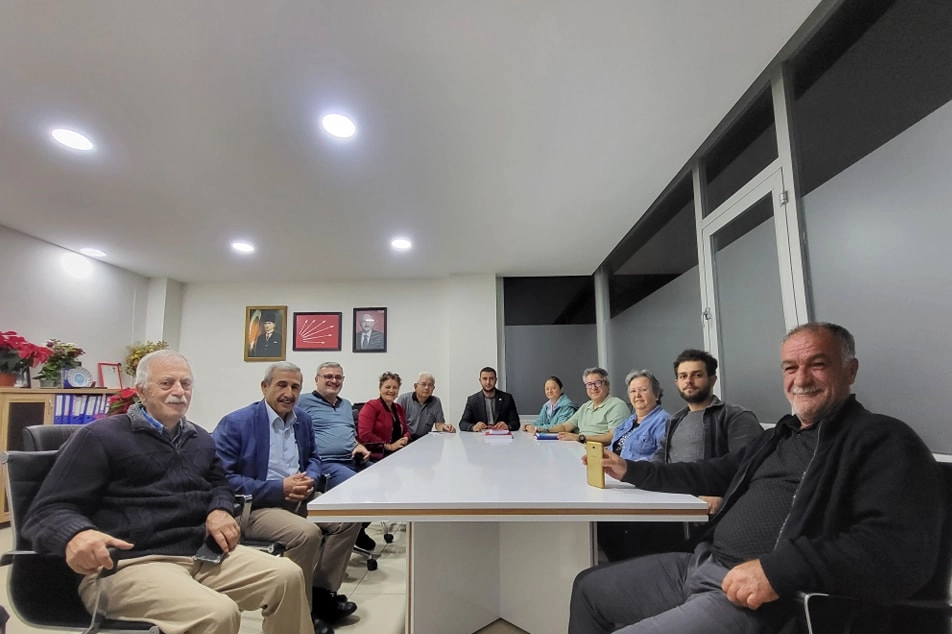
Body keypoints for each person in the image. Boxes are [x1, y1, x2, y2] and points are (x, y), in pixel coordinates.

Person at [570, 323, 945, 634]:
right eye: (790, 368)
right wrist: (631, 470)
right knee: (588, 588)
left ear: (850, 370)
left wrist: (778, 571)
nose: (801, 378)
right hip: (703, 563)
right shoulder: (779, 436)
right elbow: (710, 471)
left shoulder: (883, 439)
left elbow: (898, 550)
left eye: (817, 364)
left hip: (762, 599)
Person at [23, 350, 313, 634]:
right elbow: (48, 511)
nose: (179, 391)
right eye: (166, 383)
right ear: (141, 391)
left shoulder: (200, 439)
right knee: (218, 613)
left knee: (287, 576)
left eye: (185, 384)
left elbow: (220, 484)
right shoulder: (99, 437)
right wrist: (77, 534)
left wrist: (220, 509)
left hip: (200, 554)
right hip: (129, 564)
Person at [213, 362, 361, 631]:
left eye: (295, 387)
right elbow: (222, 478)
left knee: (349, 518)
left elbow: (314, 458)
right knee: (306, 534)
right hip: (255, 506)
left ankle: (320, 595)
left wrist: (310, 478)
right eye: (282, 385)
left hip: (300, 497)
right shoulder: (237, 423)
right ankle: (299, 612)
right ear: (264, 386)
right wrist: (279, 488)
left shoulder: (302, 419)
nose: (289, 393)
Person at [297, 361, 376, 551]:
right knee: (359, 485)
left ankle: (358, 528)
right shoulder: (302, 402)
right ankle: (350, 530)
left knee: (383, 479)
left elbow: (350, 434)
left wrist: (359, 446)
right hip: (325, 462)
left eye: (338, 377)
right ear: (317, 380)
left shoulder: (346, 404)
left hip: (352, 459)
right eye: (328, 376)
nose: (334, 380)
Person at [597, 369, 671, 561]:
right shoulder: (628, 421)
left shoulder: (664, 421)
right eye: (632, 391)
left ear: (657, 394)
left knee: (607, 527)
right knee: (598, 524)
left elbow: (662, 460)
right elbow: (613, 449)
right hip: (617, 483)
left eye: (643, 390)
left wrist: (626, 467)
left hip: (640, 488)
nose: (637, 395)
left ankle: (623, 562)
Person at [536, 367, 629, 444]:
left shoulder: (617, 405)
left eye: (598, 383)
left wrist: (580, 438)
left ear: (607, 385)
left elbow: (613, 437)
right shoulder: (585, 406)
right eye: (589, 384)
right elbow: (565, 427)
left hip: (600, 452)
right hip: (579, 447)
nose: (593, 388)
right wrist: (544, 430)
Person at [358, 371, 412, 460]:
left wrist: (405, 438)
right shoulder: (370, 407)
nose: (391, 390)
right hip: (376, 455)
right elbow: (365, 435)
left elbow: (406, 430)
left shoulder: (398, 408)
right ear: (380, 389)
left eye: (395, 388)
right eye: (387, 387)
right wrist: (389, 446)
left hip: (397, 453)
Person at [396, 372, 456, 440]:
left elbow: (439, 424)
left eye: (430, 385)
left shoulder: (436, 402)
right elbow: (397, 423)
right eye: (423, 384)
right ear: (415, 386)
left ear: (433, 388)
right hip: (405, 439)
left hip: (424, 440)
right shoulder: (404, 399)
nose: (427, 388)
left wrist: (445, 427)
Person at [458, 366, 520, 432]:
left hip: (501, 435)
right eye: (485, 379)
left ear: (496, 380)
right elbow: (462, 423)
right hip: (480, 436)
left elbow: (516, 423)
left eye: (491, 379)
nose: (488, 382)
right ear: (480, 381)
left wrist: (508, 426)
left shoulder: (507, 398)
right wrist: (473, 427)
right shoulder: (472, 400)